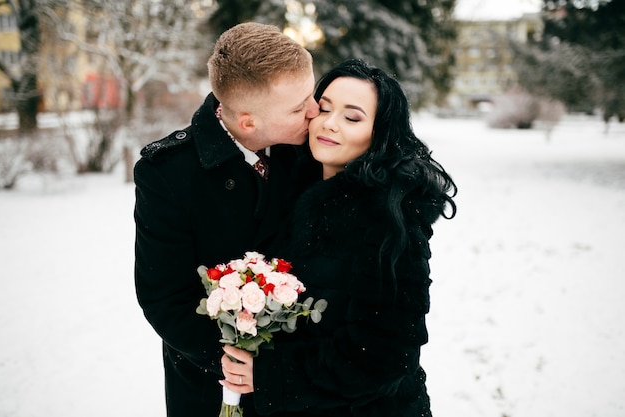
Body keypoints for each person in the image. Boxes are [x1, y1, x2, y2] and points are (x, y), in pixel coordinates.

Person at [220, 59, 457, 416]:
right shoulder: (296, 190)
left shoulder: (388, 220)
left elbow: (385, 357)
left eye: (353, 117)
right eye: (324, 108)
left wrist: (271, 375)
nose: (329, 124)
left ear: (380, 134)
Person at [133, 22, 319, 417]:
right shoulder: (168, 173)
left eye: (312, 94)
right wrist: (236, 364)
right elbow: (164, 296)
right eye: (297, 106)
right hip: (212, 385)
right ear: (249, 121)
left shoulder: (309, 147)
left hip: (301, 379)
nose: (315, 111)